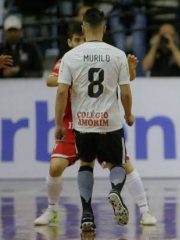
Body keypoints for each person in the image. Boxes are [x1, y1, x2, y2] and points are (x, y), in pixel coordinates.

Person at [34, 22, 156, 227]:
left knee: (118, 165)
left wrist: (131, 70)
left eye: (82, 39)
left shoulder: (93, 58)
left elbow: (124, 81)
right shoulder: (69, 60)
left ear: (86, 31)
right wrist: (70, 77)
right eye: (77, 41)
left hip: (89, 122)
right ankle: (52, 210)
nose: (81, 43)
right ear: (70, 42)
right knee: (56, 167)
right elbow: (50, 81)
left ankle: (144, 211)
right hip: (77, 123)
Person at [55, 8, 131, 232]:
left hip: (83, 124)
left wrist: (59, 123)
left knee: (86, 164)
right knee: (117, 164)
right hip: (110, 123)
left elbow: (61, 93)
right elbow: (125, 93)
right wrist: (128, 114)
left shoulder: (70, 57)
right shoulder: (118, 55)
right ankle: (115, 190)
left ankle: (87, 214)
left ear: (83, 28)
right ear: (105, 29)